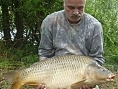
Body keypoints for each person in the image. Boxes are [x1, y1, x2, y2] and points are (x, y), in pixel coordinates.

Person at [38, 0, 104, 89]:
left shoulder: (95, 25)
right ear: (64, 3)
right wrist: (45, 79)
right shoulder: (50, 21)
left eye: (80, 8)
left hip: (84, 76)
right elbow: (45, 54)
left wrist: (90, 81)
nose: (76, 12)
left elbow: (97, 58)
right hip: (55, 75)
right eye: (71, 8)